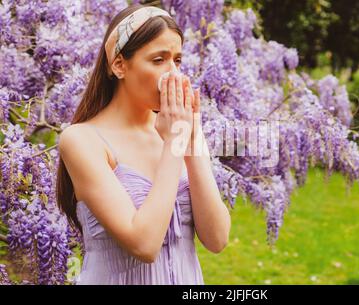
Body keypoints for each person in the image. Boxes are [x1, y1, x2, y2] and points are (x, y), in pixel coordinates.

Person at [56, 4, 231, 285]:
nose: (173, 74)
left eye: (177, 60)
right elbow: (144, 244)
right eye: (158, 60)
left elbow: (217, 238)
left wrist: (192, 139)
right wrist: (175, 142)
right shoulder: (82, 139)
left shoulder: (176, 129)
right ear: (119, 65)